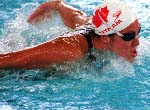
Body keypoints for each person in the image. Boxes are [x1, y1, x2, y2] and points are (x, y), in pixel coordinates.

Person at [0, 0, 141, 70]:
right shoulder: (69, 50)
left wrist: (52, 6)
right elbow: (9, 59)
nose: (137, 43)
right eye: (129, 36)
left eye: (138, 33)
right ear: (105, 37)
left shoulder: (94, 25)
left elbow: (65, 9)